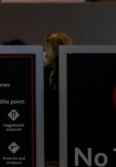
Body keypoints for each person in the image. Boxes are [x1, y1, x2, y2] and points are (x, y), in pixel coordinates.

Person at [43, 32, 72, 163]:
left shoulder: (64, 70)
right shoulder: (50, 71)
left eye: (46, 48)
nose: (45, 52)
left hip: (59, 127)